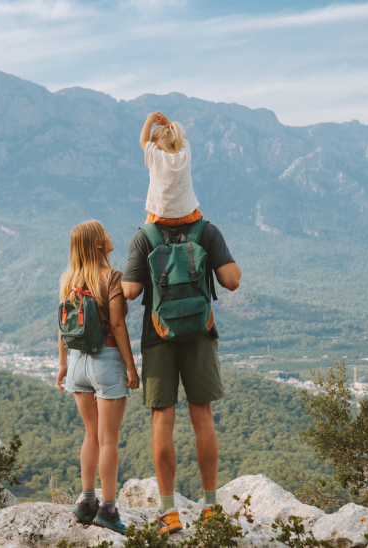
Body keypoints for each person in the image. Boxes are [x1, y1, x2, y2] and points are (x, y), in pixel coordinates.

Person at [121, 114, 242, 535]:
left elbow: (133, 291)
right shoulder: (206, 231)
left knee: (162, 421)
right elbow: (231, 280)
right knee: (202, 417)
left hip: (158, 337)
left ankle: (169, 511)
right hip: (201, 334)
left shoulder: (144, 237)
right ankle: (211, 508)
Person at [57, 220, 140, 535]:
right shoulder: (112, 278)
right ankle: (108, 509)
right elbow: (118, 325)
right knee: (109, 440)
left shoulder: (69, 280)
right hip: (106, 361)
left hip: (77, 362)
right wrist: (131, 368)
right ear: (96, 244)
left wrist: (63, 365)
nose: (110, 235)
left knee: (90, 435)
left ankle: (87, 501)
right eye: (105, 233)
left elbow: (62, 326)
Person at [140, 111, 203, 226]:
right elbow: (184, 139)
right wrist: (168, 123)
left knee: (144, 232)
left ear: (155, 143)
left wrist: (149, 120)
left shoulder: (156, 157)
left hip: (159, 216)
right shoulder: (185, 156)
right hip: (187, 215)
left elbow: (143, 141)